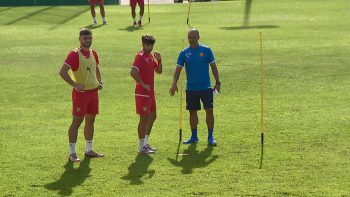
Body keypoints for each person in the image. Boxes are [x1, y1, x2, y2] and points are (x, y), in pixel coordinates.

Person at [59, 28, 105, 162]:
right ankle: (72, 153)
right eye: (85, 38)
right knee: (77, 122)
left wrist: (99, 81)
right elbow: (62, 72)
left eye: (89, 38)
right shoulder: (74, 54)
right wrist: (74, 84)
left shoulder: (93, 53)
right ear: (80, 39)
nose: (88, 41)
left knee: (91, 121)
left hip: (93, 93)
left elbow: (96, 69)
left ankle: (89, 150)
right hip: (81, 94)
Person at [169, 29, 221, 146]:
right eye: (189, 37)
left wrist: (218, 82)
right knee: (192, 112)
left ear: (198, 37)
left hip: (205, 87)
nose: (191, 40)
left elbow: (213, 67)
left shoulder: (206, 50)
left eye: (194, 37)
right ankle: (194, 136)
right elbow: (178, 70)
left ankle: (210, 136)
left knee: (209, 110)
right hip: (191, 88)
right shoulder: (184, 53)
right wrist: (174, 83)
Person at [130, 34, 162, 153]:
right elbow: (133, 72)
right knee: (144, 119)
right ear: (143, 44)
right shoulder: (140, 56)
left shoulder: (149, 57)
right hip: (142, 93)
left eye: (151, 45)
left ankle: (146, 143)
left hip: (150, 93)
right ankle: (141, 147)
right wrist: (143, 84)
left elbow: (158, 71)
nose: (150, 47)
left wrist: (159, 60)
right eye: (148, 45)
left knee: (153, 116)